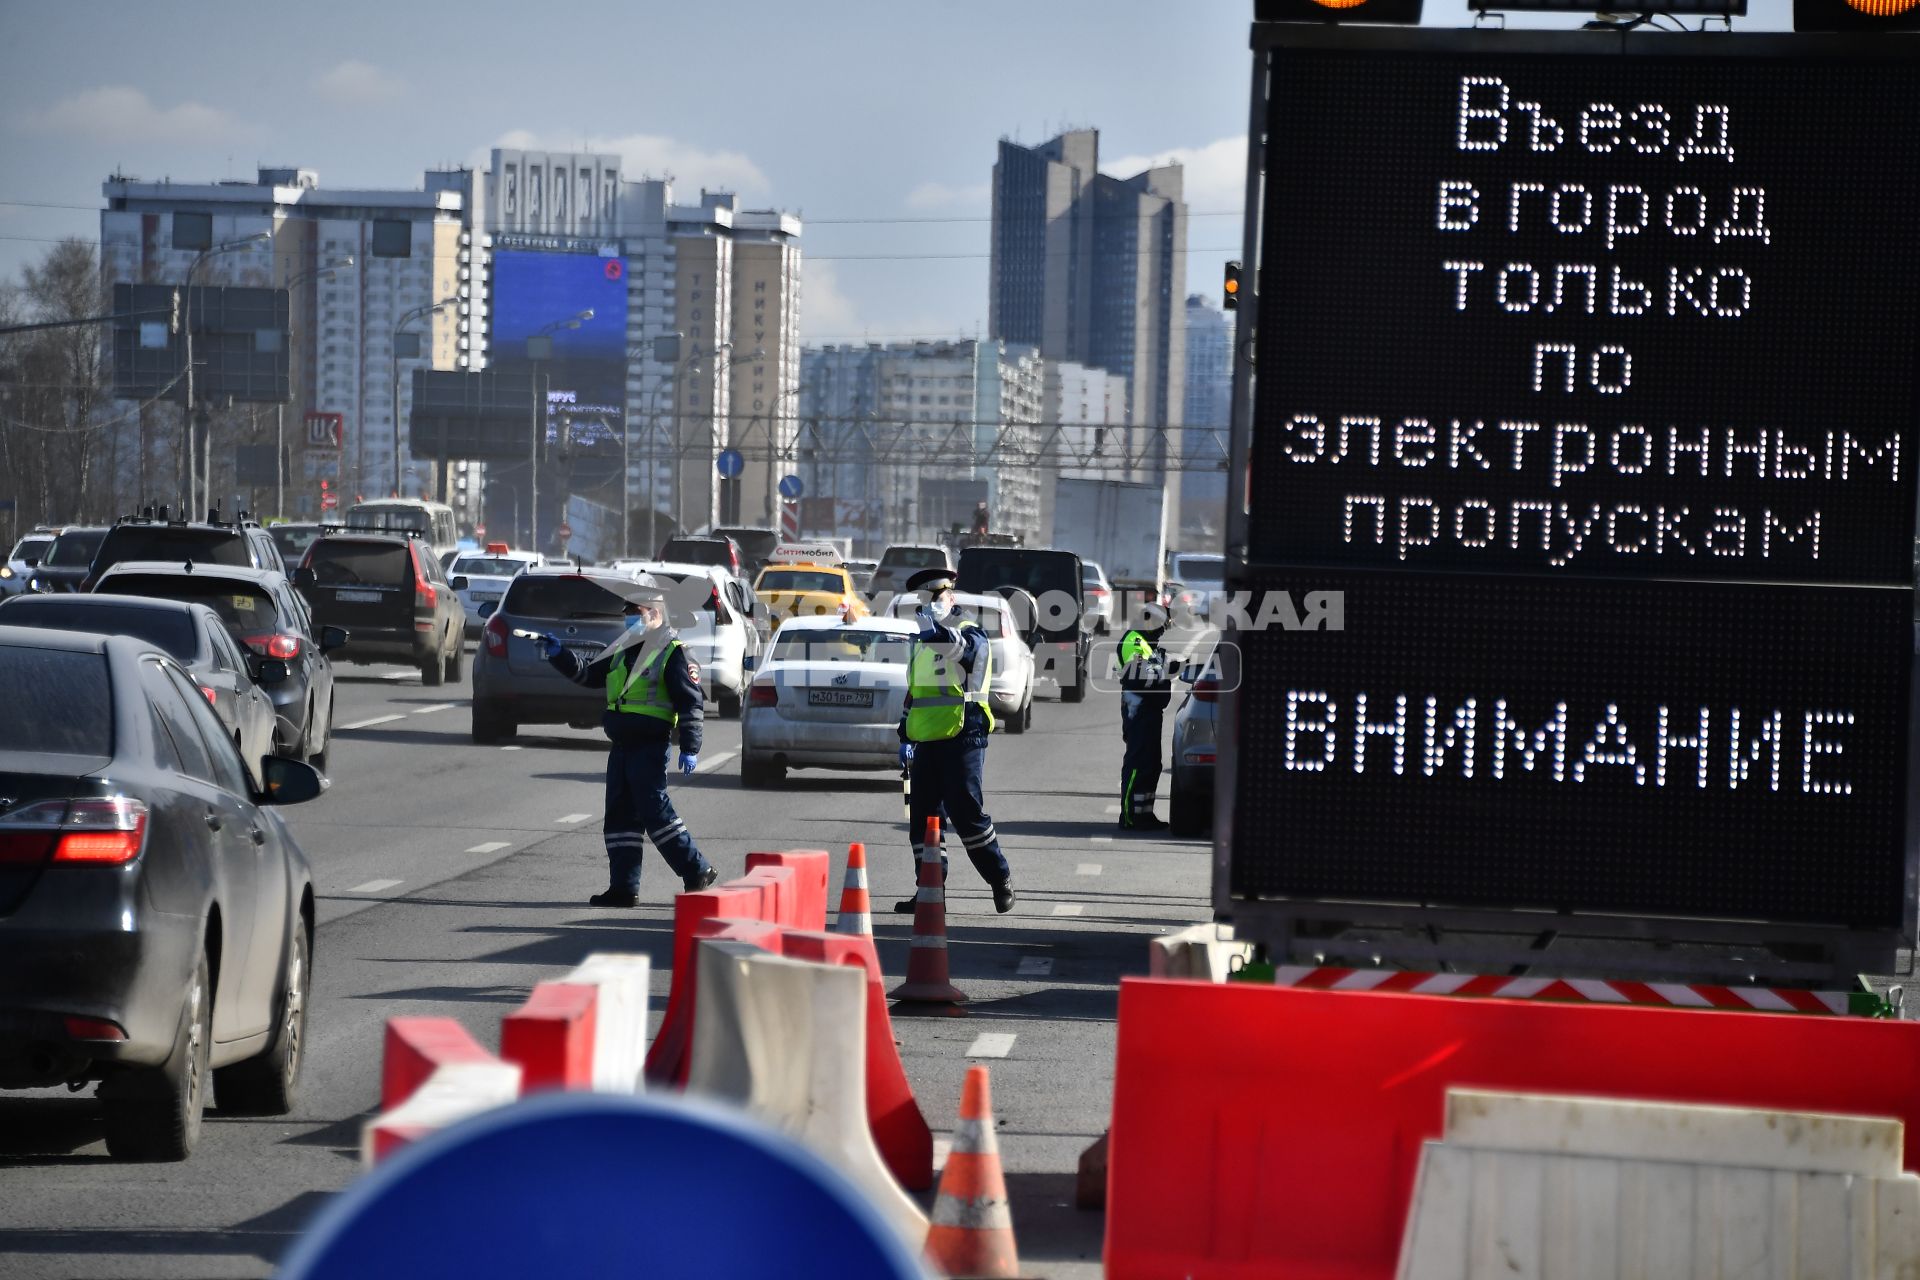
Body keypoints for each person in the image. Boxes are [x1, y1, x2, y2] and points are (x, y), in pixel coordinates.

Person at [535, 581, 718, 907]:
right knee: (619, 819)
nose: (629, 620)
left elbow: (691, 703)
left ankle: (696, 868)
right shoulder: (623, 647)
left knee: (655, 813)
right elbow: (589, 675)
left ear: (656, 614)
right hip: (621, 745)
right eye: (628, 615)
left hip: (649, 745)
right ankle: (623, 888)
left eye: (636, 614)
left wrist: (691, 748)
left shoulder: (674, 653)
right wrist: (560, 655)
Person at [893, 567, 1015, 914]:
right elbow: (916, 691)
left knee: (966, 814)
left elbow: (964, 654)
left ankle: (999, 878)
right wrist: (904, 732)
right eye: (922, 599)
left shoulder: (970, 632)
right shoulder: (920, 639)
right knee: (923, 822)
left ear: (951, 596)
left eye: (934, 596)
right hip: (926, 739)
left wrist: (933, 633)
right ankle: (930, 893)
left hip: (964, 735)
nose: (928, 604)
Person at [1117, 599, 1172, 831]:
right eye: (1160, 625)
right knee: (1138, 764)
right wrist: (1165, 672)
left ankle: (1145, 814)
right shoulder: (1133, 641)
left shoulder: (1148, 643)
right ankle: (1130, 816)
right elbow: (1140, 677)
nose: (1162, 631)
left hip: (1150, 712)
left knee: (1152, 764)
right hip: (1138, 712)